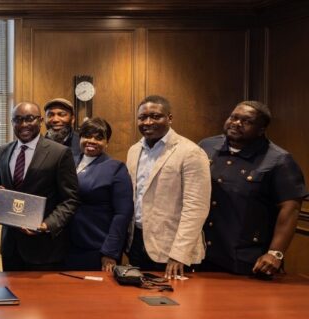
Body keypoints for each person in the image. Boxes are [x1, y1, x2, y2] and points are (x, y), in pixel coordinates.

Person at [199, 101, 307, 276]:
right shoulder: (207, 146)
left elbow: (291, 207)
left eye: (246, 121)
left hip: (247, 258)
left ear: (261, 129)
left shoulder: (279, 160)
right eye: (233, 117)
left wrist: (275, 253)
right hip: (204, 252)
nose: (236, 123)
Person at [126, 95, 211, 279]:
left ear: (169, 118)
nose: (148, 122)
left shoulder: (191, 152)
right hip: (137, 243)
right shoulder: (134, 151)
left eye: (156, 116)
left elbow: (196, 208)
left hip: (172, 250)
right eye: (142, 117)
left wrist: (180, 253)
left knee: (173, 305)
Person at [0, 102, 79, 271]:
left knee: (43, 298)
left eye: (29, 119)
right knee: (12, 296)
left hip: (44, 248)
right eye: (18, 119)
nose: (23, 124)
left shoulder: (59, 153)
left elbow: (70, 200)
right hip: (10, 247)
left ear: (40, 120)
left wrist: (47, 225)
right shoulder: (3, 151)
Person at [63, 118, 133, 272]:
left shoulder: (115, 168)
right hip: (65, 245)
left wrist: (110, 252)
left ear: (107, 142)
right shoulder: (68, 162)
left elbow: (123, 214)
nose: (92, 141)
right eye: (87, 135)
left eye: (99, 137)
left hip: (97, 248)